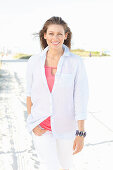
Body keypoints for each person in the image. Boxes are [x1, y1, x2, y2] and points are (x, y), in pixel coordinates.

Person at [26, 16, 89, 170]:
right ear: (45, 35)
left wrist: (80, 133)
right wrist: (33, 123)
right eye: (51, 33)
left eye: (59, 34)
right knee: (48, 166)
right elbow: (29, 95)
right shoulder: (34, 61)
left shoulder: (75, 62)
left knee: (66, 165)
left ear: (66, 36)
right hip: (41, 126)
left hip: (66, 127)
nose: (55, 38)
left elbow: (81, 98)